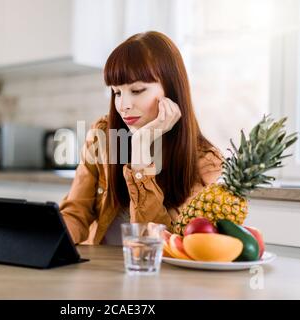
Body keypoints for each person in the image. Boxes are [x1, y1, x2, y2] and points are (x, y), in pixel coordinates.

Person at [60, 31, 223, 245]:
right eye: (117, 93)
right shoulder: (103, 136)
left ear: (171, 89)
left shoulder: (205, 162)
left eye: (137, 90)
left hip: (158, 275)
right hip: (100, 273)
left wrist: (140, 154)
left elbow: (160, 244)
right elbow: (76, 213)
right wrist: (44, 238)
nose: (123, 105)